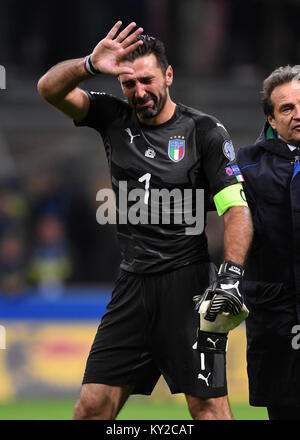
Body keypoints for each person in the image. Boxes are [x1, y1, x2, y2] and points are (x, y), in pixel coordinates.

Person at [37, 21, 253, 420]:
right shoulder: (112, 118)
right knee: (91, 407)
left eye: (148, 80)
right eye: (129, 83)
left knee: (207, 408)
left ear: (168, 76)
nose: (139, 92)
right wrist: (88, 64)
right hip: (132, 285)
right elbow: (48, 89)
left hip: (187, 286)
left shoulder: (203, 131)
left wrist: (231, 275)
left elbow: (236, 209)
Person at [237, 65, 300, 420]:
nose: (298, 114)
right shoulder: (245, 164)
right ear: (271, 119)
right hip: (275, 318)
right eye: (287, 108)